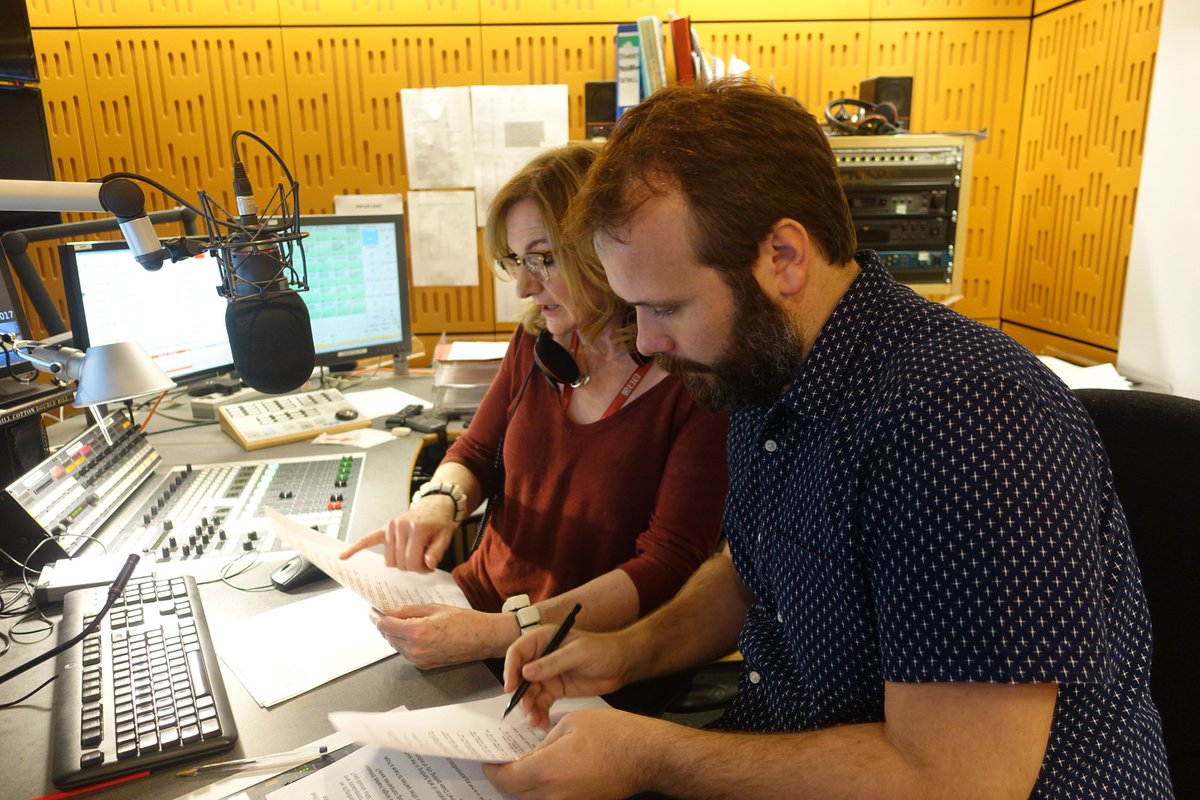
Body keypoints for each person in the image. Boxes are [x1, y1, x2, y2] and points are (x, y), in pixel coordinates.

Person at [484, 81, 1173, 798]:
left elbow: (958, 780)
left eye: (667, 306)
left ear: (783, 255)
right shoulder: (763, 363)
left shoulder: (966, 416)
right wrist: (629, 652)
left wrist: (651, 754)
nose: (650, 342)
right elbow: (755, 570)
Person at [339, 143, 729, 675]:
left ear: (602, 250)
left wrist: (502, 632)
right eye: (517, 262)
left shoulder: (694, 382)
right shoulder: (536, 340)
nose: (525, 285)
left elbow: (666, 566)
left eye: (542, 259)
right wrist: (439, 503)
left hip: (575, 658)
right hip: (468, 611)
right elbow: (475, 451)